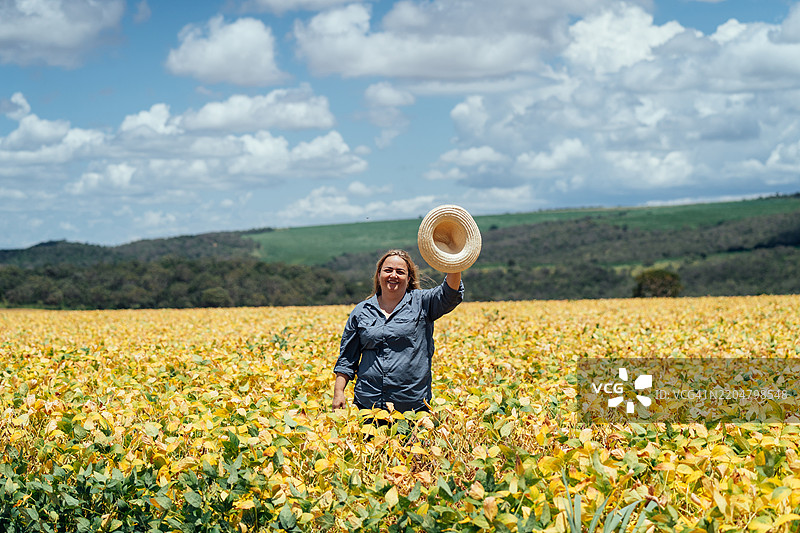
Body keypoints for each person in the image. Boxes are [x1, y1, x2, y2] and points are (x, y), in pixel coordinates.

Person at [332, 249, 464, 413]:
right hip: (368, 405)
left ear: (408, 278)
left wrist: (454, 259)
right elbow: (347, 358)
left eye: (400, 272)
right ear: (379, 275)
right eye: (388, 270)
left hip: (411, 407)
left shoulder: (423, 303)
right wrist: (339, 392)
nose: (393, 275)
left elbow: (450, 293)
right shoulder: (361, 311)